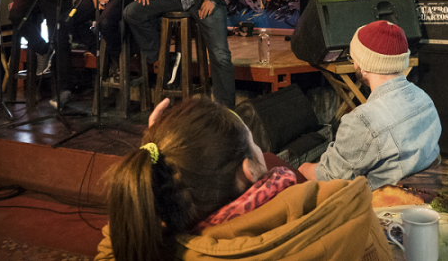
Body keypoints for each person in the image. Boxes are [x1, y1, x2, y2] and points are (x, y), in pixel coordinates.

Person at [95, 97, 392, 261]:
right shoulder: (344, 210)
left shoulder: (158, 248)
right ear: (249, 170)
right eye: (254, 143)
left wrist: (158, 160)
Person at [298, 20, 441, 190]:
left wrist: (302, 168)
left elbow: (329, 177)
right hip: (420, 196)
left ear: (365, 66)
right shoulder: (424, 99)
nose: (354, 64)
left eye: (354, 58)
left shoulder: (363, 120)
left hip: (380, 206)